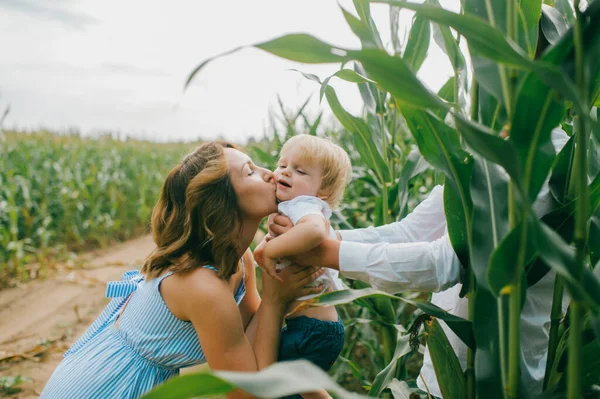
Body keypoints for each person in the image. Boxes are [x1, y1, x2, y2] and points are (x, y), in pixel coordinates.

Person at [267, 129, 571, 398]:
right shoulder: (485, 158)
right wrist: (326, 237)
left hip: (501, 382)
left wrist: (320, 252)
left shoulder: (556, 162)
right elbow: (410, 232)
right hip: (445, 370)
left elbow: (451, 261)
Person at [40, 142, 325, 399]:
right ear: (221, 202)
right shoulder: (203, 286)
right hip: (105, 386)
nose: (270, 174)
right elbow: (245, 393)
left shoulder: (241, 260)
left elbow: (254, 342)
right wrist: (275, 299)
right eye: (249, 172)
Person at [254, 135, 351, 392]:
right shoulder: (292, 208)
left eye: (300, 170)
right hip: (314, 327)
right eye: (283, 164)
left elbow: (316, 231)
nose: (286, 171)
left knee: (279, 389)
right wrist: (265, 246)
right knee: (302, 390)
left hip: (312, 329)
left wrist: (272, 249)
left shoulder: (304, 205)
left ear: (323, 191)